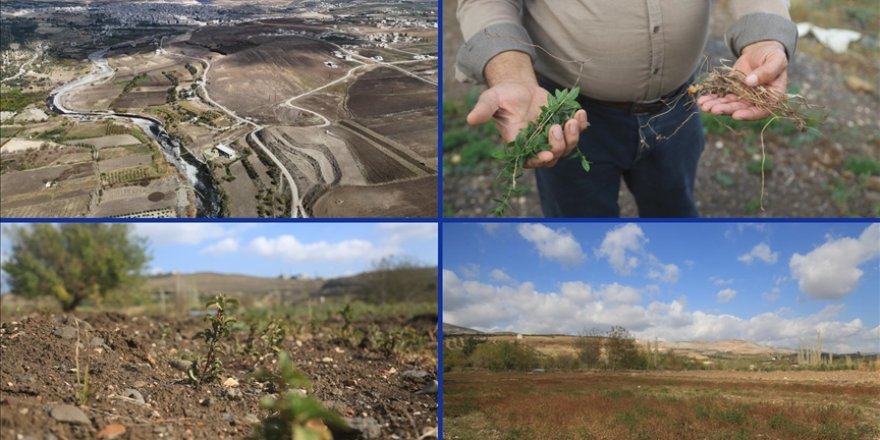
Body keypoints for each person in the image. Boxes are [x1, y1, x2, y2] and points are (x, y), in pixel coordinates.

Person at [455, 1, 798, 217]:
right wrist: (510, 72)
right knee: (582, 228)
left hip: (679, 107)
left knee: (674, 216)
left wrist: (764, 35)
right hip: (568, 115)